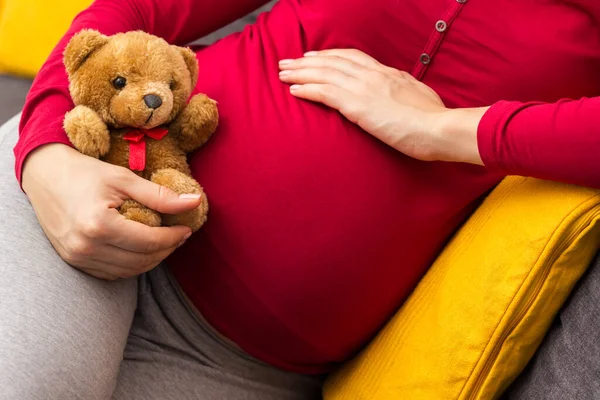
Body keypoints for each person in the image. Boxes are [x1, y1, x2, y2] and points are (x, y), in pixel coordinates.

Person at [1, 0, 599, 399]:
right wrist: (49, 151)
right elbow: (135, 9)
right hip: (81, 185)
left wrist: (445, 131)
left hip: (231, 360)